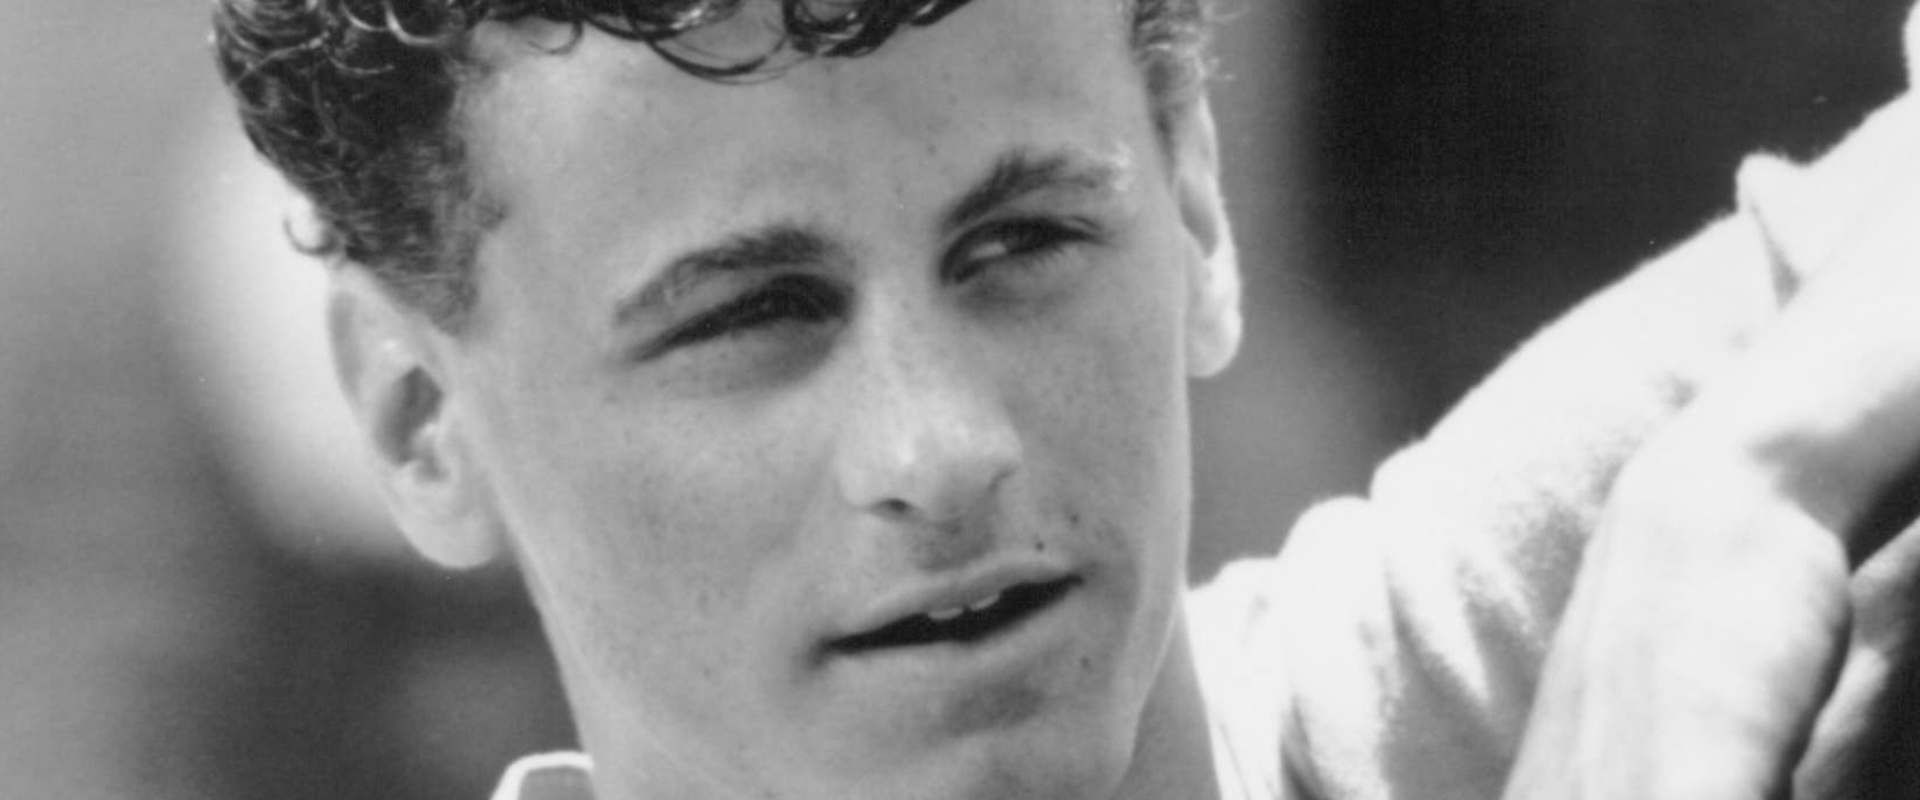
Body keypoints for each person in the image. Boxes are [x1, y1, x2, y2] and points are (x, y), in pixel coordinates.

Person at [211, 1, 1920, 797]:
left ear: (1197, 207)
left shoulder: (1464, 674)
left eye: (1022, 242)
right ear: (417, 421)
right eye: (753, 316)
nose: (942, 449)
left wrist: (1758, 468)